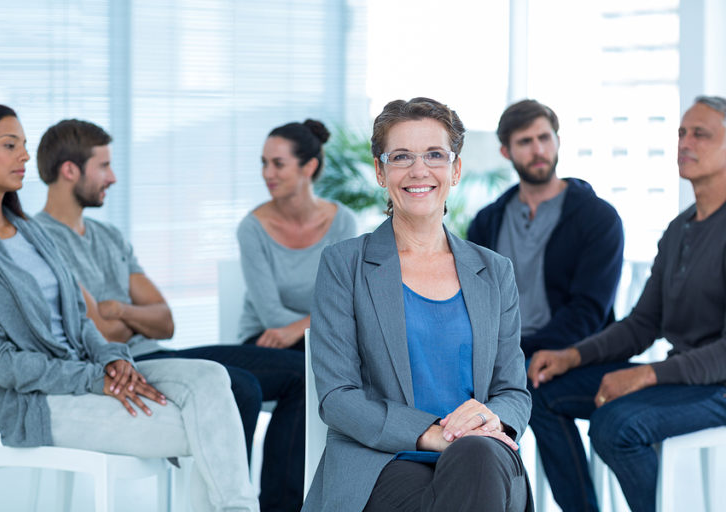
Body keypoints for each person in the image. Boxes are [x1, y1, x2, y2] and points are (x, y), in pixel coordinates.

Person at [0, 103, 257, 511]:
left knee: (211, 378)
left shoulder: (28, 232)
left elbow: (79, 321)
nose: (25, 156)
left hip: (93, 373)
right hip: (37, 402)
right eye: (10, 145)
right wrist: (93, 378)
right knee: (208, 429)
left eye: (25, 145)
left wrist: (113, 360)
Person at [34, 119, 304, 512]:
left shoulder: (109, 237)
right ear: (70, 170)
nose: (112, 177)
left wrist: (120, 310)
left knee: (301, 373)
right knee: (240, 386)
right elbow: (101, 331)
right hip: (124, 365)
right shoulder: (39, 241)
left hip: (158, 350)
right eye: (103, 166)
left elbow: (165, 320)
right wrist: (129, 315)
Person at [303, 97, 532, 512]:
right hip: (381, 460)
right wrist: (429, 434)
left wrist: (489, 420)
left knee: (475, 459)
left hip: (479, 453)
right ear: (380, 171)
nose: (419, 170)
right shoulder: (344, 265)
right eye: (401, 156)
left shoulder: (494, 271)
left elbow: (512, 390)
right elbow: (337, 395)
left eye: (434, 155)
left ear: (455, 169)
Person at [527, 95, 726, 512]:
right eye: (681, 133)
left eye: (700, 134)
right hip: (685, 377)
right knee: (543, 392)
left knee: (616, 425)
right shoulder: (679, 230)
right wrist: (571, 357)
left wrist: (646, 376)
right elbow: (642, 325)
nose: (684, 143)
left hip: (718, 386)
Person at [467, 99, 624, 359]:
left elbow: (588, 312)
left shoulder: (599, 218)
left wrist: (522, 354)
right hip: (497, 357)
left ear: (558, 141)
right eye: (525, 142)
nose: (538, 150)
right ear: (506, 152)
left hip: (571, 356)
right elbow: (474, 303)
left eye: (544, 138)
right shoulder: (486, 223)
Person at [237, 119, 357, 350]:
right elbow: (272, 316)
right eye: (264, 163)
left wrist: (302, 327)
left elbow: (347, 302)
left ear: (309, 167)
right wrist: (318, 326)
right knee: (316, 371)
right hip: (267, 340)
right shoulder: (252, 228)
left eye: (278, 164)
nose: (267, 173)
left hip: (325, 339)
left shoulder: (343, 222)